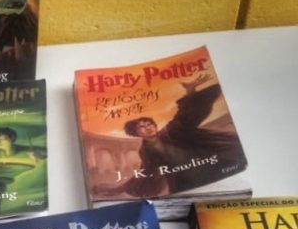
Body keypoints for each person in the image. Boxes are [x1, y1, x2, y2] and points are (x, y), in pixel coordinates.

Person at [97, 73, 247, 197]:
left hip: (209, 167)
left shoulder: (172, 130)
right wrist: (118, 188)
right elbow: (145, 173)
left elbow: (184, 115)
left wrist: (190, 91)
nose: (148, 128)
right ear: (136, 133)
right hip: (183, 182)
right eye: (141, 127)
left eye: (149, 124)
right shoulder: (145, 151)